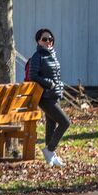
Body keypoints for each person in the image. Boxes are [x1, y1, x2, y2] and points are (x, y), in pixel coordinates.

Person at [27, 28, 69, 167]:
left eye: (50, 39)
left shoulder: (52, 54)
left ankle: (51, 157)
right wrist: (48, 83)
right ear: (38, 41)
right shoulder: (37, 56)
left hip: (54, 95)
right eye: (44, 39)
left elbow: (55, 75)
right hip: (44, 97)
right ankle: (49, 149)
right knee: (65, 122)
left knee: (51, 126)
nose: (48, 41)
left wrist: (58, 86)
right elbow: (33, 76)